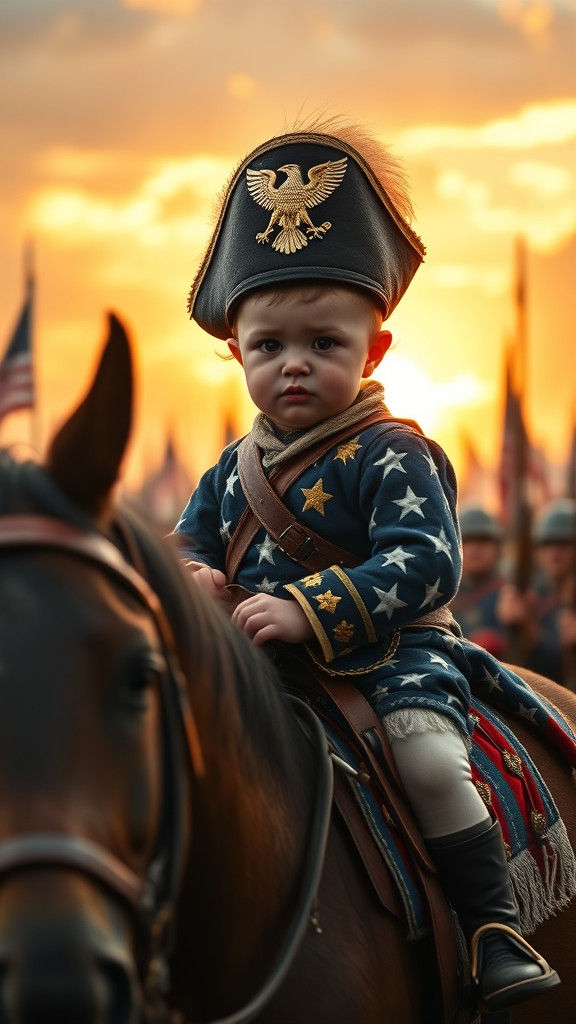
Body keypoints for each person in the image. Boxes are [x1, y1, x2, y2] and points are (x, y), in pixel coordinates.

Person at [175, 120, 559, 1012]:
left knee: (428, 763)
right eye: (269, 347)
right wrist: (190, 580)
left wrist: (312, 609)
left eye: (324, 344)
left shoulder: (394, 450)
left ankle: (492, 930)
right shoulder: (229, 470)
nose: (294, 366)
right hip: (262, 671)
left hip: (393, 664)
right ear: (237, 352)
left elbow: (427, 563)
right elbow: (189, 541)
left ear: (376, 350)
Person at [498, 499, 576, 685]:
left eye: (564, 543)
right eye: (547, 544)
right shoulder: (529, 593)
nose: (554, 553)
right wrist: (509, 625)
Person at [451, 506, 507, 657]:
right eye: (467, 540)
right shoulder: (443, 594)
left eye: (483, 540)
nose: (475, 549)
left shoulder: (509, 592)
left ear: (498, 548)